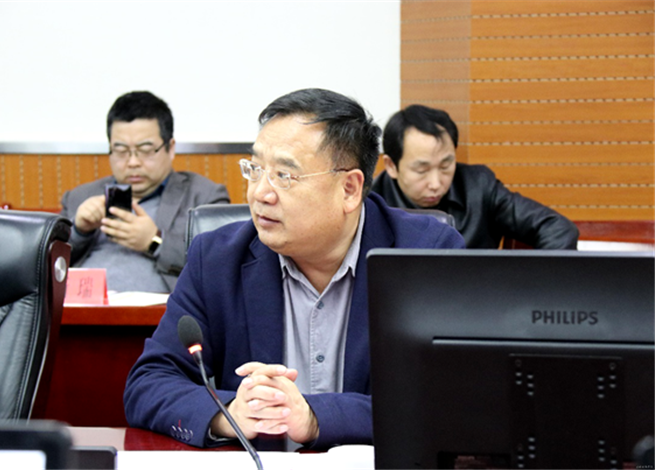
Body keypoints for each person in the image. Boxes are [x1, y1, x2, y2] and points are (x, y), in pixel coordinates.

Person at [123, 88, 465, 451]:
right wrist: (231, 413)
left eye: (284, 175)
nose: (260, 193)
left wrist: (318, 417)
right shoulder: (217, 259)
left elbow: (454, 399)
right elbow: (149, 383)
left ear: (349, 189)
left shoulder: (427, 256)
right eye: (255, 170)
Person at [60, 91, 230, 293]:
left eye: (146, 150)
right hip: (80, 310)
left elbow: (221, 261)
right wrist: (79, 232)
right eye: (121, 150)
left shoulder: (204, 196)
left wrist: (154, 241)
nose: (133, 162)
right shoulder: (80, 197)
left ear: (170, 148)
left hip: (160, 312)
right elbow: (43, 266)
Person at [371, 104, 580, 249]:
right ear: (391, 166)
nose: (435, 183)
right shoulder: (370, 203)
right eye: (422, 170)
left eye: (445, 166)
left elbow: (558, 230)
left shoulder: (478, 187)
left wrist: (531, 288)